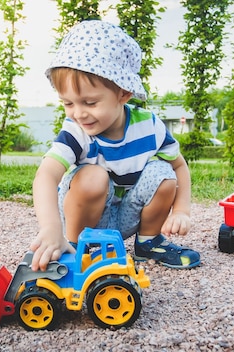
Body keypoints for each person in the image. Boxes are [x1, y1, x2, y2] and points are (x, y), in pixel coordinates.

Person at [29, 20, 201, 272]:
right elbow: (45, 175)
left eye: (89, 102)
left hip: (128, 215)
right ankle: (78, 247)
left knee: (164, 173)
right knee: (92, 177)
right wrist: (51, 228)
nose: (78, 113)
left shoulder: (149, 127)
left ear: (123, 94)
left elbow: (179, 166)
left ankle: (148, 241)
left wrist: (182, 210)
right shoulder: (77, 132)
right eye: (68, 103)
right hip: (88, 218)